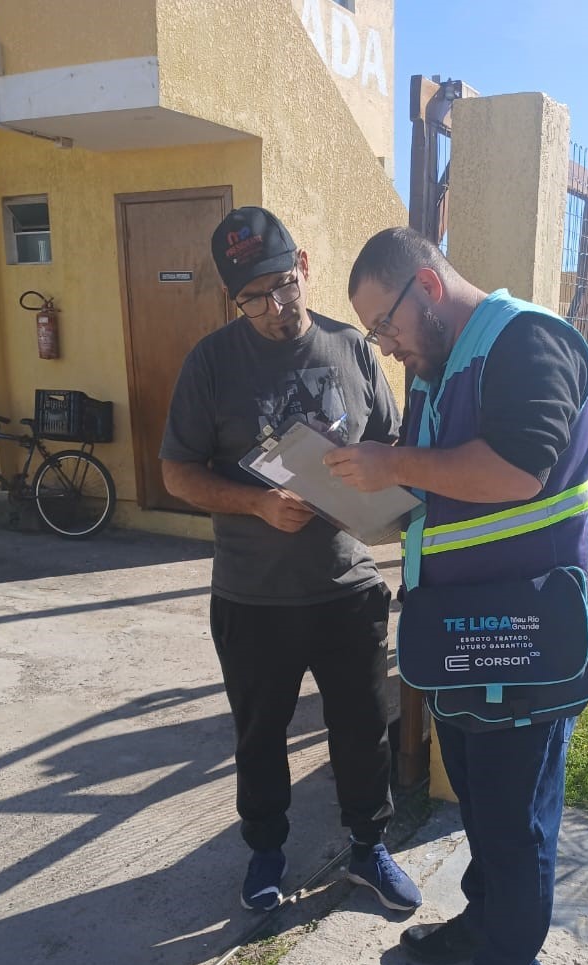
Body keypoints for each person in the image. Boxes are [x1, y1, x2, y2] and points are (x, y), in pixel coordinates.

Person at [325, 227, 588, 965]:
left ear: (426, 284)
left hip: (527, 638)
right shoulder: (442, 366)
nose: (388, 347)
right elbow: (435, 484)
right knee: (485, 807)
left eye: (387, 326)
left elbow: (518, 471)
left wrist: (394, 465)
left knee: (515, 823)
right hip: (465, 639)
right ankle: (484, 924)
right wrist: (362, 485)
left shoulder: (531, 340)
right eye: (378, 338)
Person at [159, 207, 421, 916]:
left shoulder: (354, 350)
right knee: (260, 735)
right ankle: (267, 851)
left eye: (282, 286)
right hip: (253, 596)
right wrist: (256, 505)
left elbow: (394, 450)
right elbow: (176, 472)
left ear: (304, 265)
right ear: (232, 298)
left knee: (364, 730)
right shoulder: (212, 364)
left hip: (348, 588)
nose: (274, 309)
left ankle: (368, 848)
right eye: (254, 297)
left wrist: (373, 494)